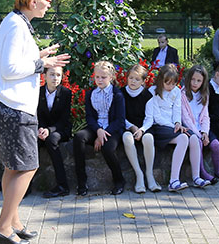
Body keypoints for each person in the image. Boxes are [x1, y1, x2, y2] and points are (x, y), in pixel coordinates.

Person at [0, 0, 69, 244]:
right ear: (33, 1)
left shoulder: (15, 22)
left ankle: (13, 222)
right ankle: (2, 228)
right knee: (27, 166)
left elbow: (13, 61)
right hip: (13, 107)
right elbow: (9, 70)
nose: (49, 4)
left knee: (14, 167)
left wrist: (39, 55)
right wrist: (42, 63)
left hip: (8, 105)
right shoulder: (16, 25)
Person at [142, 64, 202, 191]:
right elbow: (156, 117)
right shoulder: (153, 91)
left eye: (173, 84)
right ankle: (174, 180)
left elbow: (177, 109)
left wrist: (177, 123)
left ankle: (196, 177)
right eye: (167, 83)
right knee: (183, 138)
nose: (171, 87)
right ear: (161, 80)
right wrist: (174, 126)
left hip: (173, 126)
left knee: (194, 138)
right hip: (159, 127)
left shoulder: (176, 91)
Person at [74, 61, 127, 196]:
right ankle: (81, 182)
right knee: (79, 137)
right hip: (96, 127)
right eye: (97, 77)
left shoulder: (117, 95)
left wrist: (104, 133)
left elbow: (120, 120)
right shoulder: (91, 94)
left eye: (103, 77)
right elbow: (89, 117)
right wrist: (98, 130)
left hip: (112, 129)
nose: (100, 80)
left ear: (111, 77)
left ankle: (119, 181)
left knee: (107, 148)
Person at [121, 64, 161, 193]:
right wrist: (132, 127)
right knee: (127, 138)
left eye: (137, 79)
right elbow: (120, 116)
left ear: (143, 81)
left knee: (148, 138)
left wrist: (142, 130)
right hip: (127, 126)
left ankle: (149, 174)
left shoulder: (147, 95)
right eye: (131, 78)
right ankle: (139, 175)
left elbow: (150, 118)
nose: (133, 81)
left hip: (143, 126)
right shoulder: (121, 94)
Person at [180, 65, 219, 186]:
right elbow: (185, 118)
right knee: (198, 143)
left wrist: (205, 132)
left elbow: (205, 116)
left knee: (216, 144)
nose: (195, 83)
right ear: (188, 79)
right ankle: (202, 172)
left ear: (203, 82)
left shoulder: (204, 95)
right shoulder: (182, 94)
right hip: (190, 129)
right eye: (193, 79)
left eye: (199, 81)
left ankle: (218, 171)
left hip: (202, 129)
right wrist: (199, 135)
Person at [37, 65, 73, 198]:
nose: (55, 78)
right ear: (44, 76)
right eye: (52, 74)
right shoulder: (38, 92)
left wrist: (49, 130)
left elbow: (64, 119)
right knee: (30, 141)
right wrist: (41, 129)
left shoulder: (65, 93)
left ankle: (62, 186)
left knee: (51, 140)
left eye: (58, 75)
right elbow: (37, 115)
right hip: (43, 129)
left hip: (60, 129)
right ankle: (25, 185)